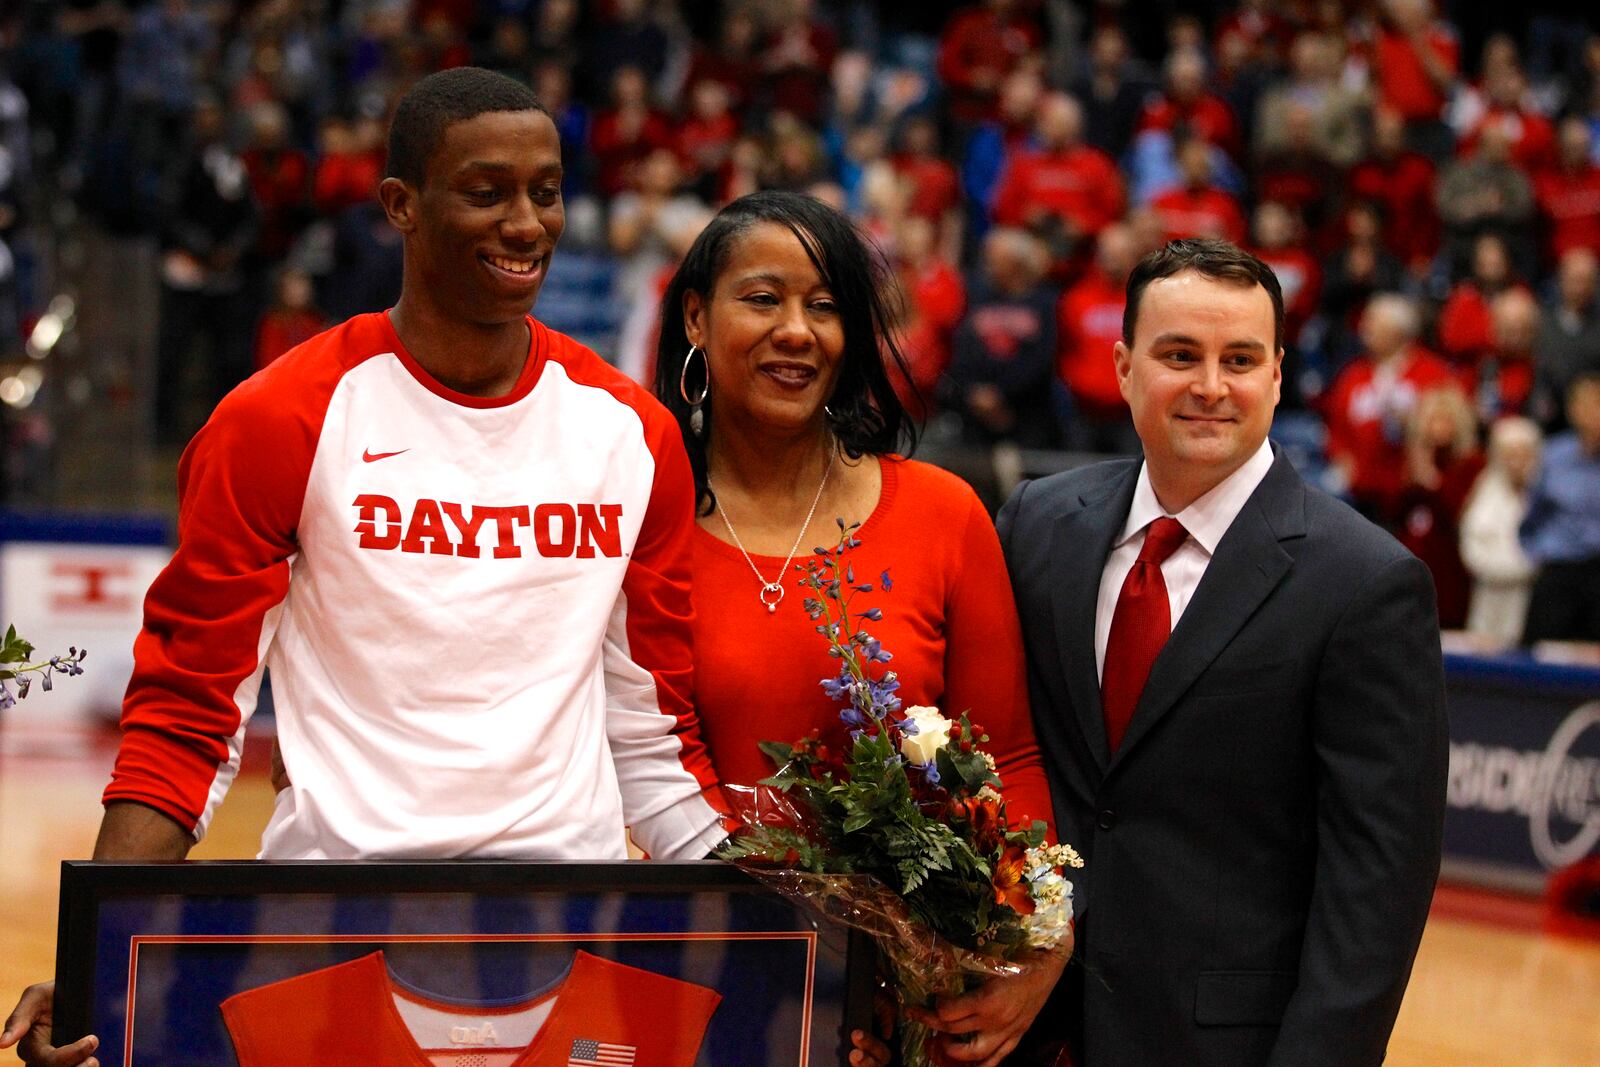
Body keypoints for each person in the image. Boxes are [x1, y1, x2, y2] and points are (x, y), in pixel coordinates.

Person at [2, 67, 730, 1066]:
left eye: (546, 191)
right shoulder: (278, 419)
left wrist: (795, 922)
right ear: (401, 205)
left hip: (571, 924)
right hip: (330, 928)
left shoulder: (632, 434)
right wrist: (90, 949)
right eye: (485, 191)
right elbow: (189, 714)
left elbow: (652, 733)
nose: (527, 223)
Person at [997, 238, 1448, 1066]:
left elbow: (1377, 888)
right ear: (1125, 366)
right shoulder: (1036, 522)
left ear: (1277, 375)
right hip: (1020, 1032)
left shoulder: (1368, 583)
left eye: (1240, 359)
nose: (1211, 386)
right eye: (1180, 355)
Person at [652, 190, 1063, 1066]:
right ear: (696, 313)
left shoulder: (945, 514)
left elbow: (1013, 761)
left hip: (907, 1004)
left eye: (826, 305)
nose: (796, 330)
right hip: (697, 978)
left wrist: (1033, 942)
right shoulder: (643, 529)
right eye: (763, 298)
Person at [1520, 370, 1600, 644]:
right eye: (1587, 405)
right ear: (1573, 410)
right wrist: (1539, 553)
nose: (1594, 415)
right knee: (1537, 658)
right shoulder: (1554, 456)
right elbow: (1531, 518)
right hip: (1559, 570)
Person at [1461, 416, 1541, 647]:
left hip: (1528, 594)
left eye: (1522, 453)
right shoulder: (1484, 488)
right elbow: (1471, 541)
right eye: (1509, 453)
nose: (1515, 461)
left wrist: (1521, 569)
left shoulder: (1544, 492)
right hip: (1487, 592)